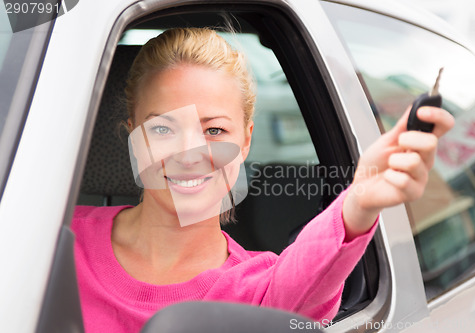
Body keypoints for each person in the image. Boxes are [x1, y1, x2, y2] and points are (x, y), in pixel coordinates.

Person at [71, 27, 455, 333]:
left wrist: (360, 200)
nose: (189, 154)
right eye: (162, 129)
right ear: (132, 137)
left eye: (215, 131)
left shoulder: (259, 292)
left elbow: (302, 280)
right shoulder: (55, 238)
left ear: (247, 140)